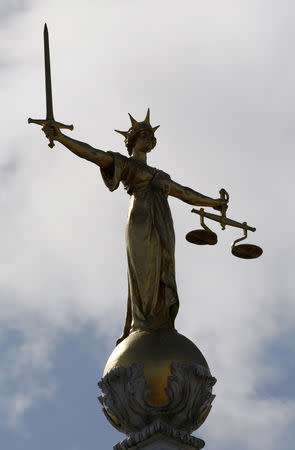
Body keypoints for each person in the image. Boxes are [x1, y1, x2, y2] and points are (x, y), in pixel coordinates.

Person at [42, 109, 227, 344]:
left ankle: (161, 321)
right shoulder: (126, 164)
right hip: (140, 218)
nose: (148, 140)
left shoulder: (161, 175)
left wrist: (214, 203)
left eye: (151, 138)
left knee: (163, 266)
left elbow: (186, 194)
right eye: (143, 136)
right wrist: (61, 137)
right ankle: (141, 322)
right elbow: (93, 154)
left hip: (163, 223)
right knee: (143, 269)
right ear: (132, 141)